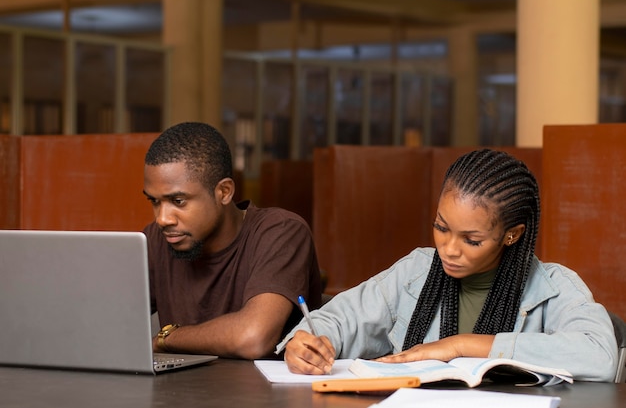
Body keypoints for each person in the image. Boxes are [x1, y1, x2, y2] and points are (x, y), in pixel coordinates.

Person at [278, 148, 618, 381]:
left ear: (511, 235)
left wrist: (457, 346)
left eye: (471, 240)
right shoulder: (415, 273)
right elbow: (340, 319)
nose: (448, 249)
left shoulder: (553, 288)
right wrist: (307, 341)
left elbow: (599, 355)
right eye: (441, 228)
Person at [143, 121, 322, 359]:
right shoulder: (157, 239)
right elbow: (106, 323)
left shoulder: (281, 232)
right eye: (154, 201)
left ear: (224, 192)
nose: (163, 219)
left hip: (264, 395)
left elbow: (253, 337)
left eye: (178, 201)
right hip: (176, 393)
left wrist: (167, 339)